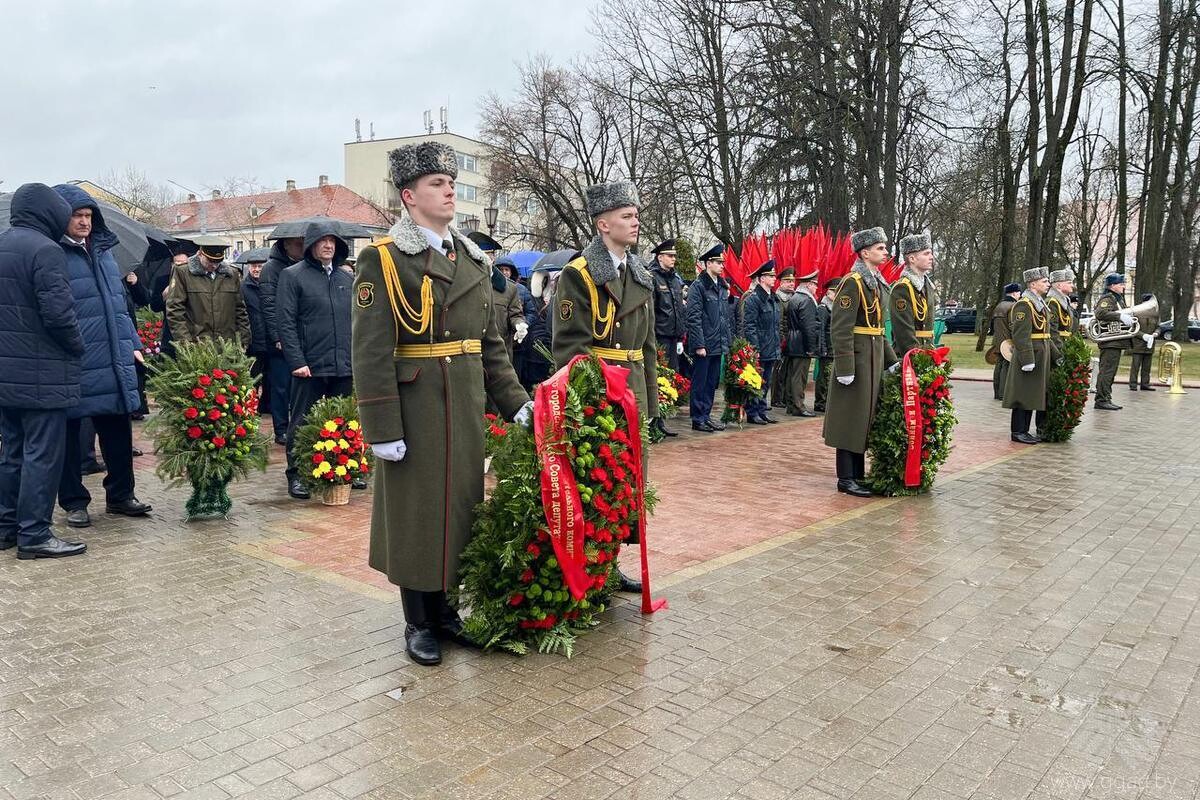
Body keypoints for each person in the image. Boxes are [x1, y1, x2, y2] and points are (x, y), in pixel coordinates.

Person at [352, 142, 531, 667]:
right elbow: (370, 349)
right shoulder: (384, 260)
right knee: (417, 513)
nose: (449, 189)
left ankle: (449, 612)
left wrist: (516, 402)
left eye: (451, 181)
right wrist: (381, 426)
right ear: (409, 197)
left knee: (460, 508)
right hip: (417, 405)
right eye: (436, 183)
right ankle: (419, 620)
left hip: (465, 403)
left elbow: (489, 345)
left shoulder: (473, 260)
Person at [552, 181, 659, 594]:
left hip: (632, 394)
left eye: (635, 215)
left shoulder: (640, 275)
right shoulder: (579, 275)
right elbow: (571, 348)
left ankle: (610, 563)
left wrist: (649, 402)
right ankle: (588, 570)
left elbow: (647, 346)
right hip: (600, 393)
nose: (635, 223)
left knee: (626, 484)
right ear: (603, 224)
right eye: (627, 216)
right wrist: (586, 403)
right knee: (595, 481)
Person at [50, 184, 152, 529]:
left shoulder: (106, 255)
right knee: (68, 435)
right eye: (77, 216)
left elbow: (120, 308)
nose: (84, 222)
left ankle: (121, 495)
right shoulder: (51, 254)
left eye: (88, 216)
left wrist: (133, 343)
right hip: (74, 360)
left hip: (113, 358)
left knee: (118, 432)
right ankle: (74, 502)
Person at [0, 184, 87, 559]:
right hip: (43, 373)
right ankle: (34, 534)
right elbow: (58, 314)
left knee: (11, 451)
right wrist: (77, 346)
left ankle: (6, 528)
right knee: (42, 454)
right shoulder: (46, 250)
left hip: (5, 372)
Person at [276, 223, 358, 499]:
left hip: (343, 363)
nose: (328, 245)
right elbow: (285, 322)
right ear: (310, 244)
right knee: (301, 420)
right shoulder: (293, 276)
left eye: (333, 241)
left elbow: (358, 322)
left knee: (344, 420)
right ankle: (297, 474)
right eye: (322, 240)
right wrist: (297, 360)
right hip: (309, 365)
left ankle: (347, 469)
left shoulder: (347, 280)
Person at [822, 227, 898, 497]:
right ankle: (846, 477)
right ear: (865, 253)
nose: (885, 252)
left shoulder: (874, 281)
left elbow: (878, 328)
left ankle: (858, 473)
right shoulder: (853, 282)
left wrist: (891, 361)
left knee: (863, 417)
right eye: (880, 248)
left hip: (872, 357)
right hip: (855, 361)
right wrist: (844, 366)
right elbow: (840, 327)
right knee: (849, 418)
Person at [165, 238, 251, 346]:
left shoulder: (231, 274)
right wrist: (185, 343)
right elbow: (175, 310)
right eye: (210, 261)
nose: (214, 265)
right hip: (197, 344)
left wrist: (243, 340)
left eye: (217, 262)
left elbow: (240, 310)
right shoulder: (183, 272)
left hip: (227, 345)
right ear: (200, 254)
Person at [260, 236, 304, 444]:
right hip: (281, 338)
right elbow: (268, 304)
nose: (303, 247)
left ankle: (300, 426)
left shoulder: (304, 265)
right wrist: (277, 336)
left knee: (300, 387)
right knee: (281, 386)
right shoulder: (272, 268)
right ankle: (281, 429)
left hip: (302, 335)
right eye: (298, 244)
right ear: (286, 244)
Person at [685, 244, 733, 432]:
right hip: (704, 344)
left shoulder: (721, 286)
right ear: (707, 264)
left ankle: (706, 414)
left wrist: (727, 342)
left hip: (717, 343)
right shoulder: (699, 287)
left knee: (712, 382)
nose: (722, 266)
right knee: (700, 382)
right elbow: (694, 317)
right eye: (718, 262)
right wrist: (699, 344)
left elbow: (724, 318)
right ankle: (698, 418)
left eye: (722, 262)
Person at [1003, 268, 1052, 443]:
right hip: (1029, 355)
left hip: (1040, 353)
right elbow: (1020, 334)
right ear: (1033, 284)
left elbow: (1046, 334)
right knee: (1022, 394)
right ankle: (1018, 431)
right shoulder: (1024, 304)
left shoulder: (1039, 303)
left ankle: (1025, 430)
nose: (1048, 284)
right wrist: (1027, 359)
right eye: (1044, 281)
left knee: (1032, 394)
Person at [738, 260, 782, 424]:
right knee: (756, 381)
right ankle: (753, 411)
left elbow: (777, 325)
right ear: (762, 278)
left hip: (771, 346)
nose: (774, 278)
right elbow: (749, 326)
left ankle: (762, 410)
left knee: (766, 382)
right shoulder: (754, 299)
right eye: (770, 276)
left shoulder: (773, 298)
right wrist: (755, 348)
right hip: (760, 347)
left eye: (773, 275)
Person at [890, 233, 938, 357]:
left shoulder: (928, 286)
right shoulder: (902, 288)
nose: (931, 257)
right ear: (912, 259)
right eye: (926, 254)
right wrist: (917, 359)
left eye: (930, 253)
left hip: (927, 352)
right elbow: (903, 332)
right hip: (910, 355)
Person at [1093, 273, 1133, 411]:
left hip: (1116, 341)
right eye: (1121, 284)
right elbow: (1100, 313)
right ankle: (1101, 399)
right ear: (1112, 285)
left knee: (1111, 371)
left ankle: (1106, 398)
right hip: (1110, 342)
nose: (1123, 286)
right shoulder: (1108, 298)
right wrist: (1120, 316)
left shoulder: (1118, 299)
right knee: (1107, 372)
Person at [784, 268, 821, 417]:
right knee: (800, 376)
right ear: (808, 285)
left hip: (793, 340)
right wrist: (811, 348)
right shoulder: (806, 300)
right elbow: (809, 327)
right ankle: (799, 406)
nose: (816, 287)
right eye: (814, 284)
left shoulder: (795, 297)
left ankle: (791, 404)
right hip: (801, 343)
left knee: (792, 375)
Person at [240, 250, 272, 415]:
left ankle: (266, 404)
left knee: (270, 376)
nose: (257, 269)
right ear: (249, 268)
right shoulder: (243, 288)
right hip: (253, 338)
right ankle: (252, 405)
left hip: (270, 338)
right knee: (254, 375)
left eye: (260, 266)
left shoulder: (271, 285)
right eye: (254, 266)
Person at [650, 238, 686, 373]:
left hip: (674, 337)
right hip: (660, 337)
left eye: (674, 256)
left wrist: (680, 338)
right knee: (661, 374)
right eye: (670, 256)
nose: (673, 259)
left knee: (674, 374)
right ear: (660, 257)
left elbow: (679, 310)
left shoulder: (676, 279)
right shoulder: (653, 277)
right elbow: (651, 312)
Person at [491, 256, 528, 361]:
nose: (504, 272)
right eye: (501, 269)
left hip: (501, 349)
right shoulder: (474, 285)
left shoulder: (511, 288)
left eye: (506, 269)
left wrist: (520, 324)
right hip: (474, 350)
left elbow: (515, 314)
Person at [990, 283, 1021, 400]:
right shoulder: (1013, 306)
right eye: (1018, 293)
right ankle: (1004, 394)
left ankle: (997, 393)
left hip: (998, 340)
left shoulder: (1000, 306)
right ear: (1014, 293)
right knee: (1007, 366)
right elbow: (1013, 326)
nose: (1020, 295)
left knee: (999, 366)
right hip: (1008, 341)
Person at [771, 267, 796, 408]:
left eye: (792, 281)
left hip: (791, 338)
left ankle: (786, 397)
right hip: (783, 338)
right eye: (787, 281)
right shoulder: (779, 298)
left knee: (788, 370)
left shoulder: (792, 297)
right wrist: (781, 339)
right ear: (780, 283)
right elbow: (779, 321)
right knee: (779, 370)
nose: (791, 284)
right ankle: (776, 398)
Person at [813, 278, 837, 413]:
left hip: (833, 346)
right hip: (826, 347)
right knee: (823, 376)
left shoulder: (834, 307)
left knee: (830, 375)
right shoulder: (823, 308)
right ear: (829, 293)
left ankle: (827, 400)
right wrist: (821, 348)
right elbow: (820, 330)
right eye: (835, 292)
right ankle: (820, 402)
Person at [1128, 293, 1158, 391]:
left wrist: (1155, 334)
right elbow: (1133, 328)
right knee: (1135, 366)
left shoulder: (1155, 315)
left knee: (1147, 366)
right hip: (1138, 343)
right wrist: (1143, 336)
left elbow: (1158, 327)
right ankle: (1133, 384)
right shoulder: (1137, 313)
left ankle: (1145, 384)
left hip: (1149, 344)